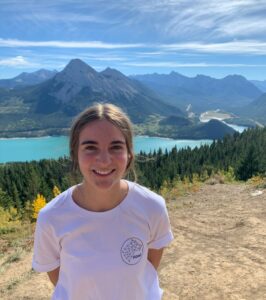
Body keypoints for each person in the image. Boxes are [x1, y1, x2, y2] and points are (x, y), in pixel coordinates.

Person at [32, 103, 174, 300]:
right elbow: (60, 280)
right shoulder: (52, 217)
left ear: (129, 153)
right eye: (90, 147)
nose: (104, 160)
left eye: (116, 147)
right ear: (75, 154)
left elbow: (149, 266)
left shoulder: (152, 207)